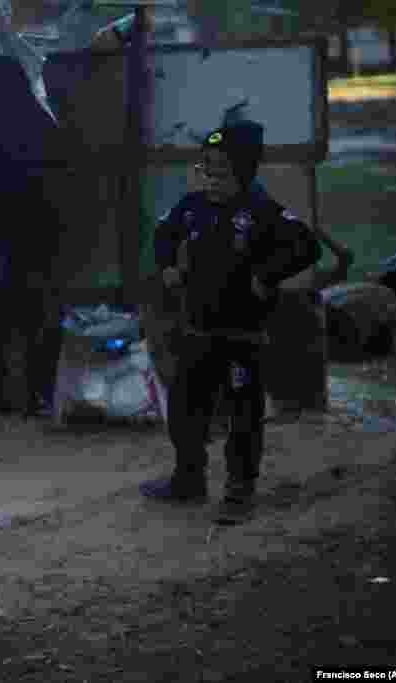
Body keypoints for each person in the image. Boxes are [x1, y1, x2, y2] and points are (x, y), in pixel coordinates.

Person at [140, 121, 322, 524]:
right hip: (198, 331)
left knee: (243, 416)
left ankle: (239, 491)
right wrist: (169, 265)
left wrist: (266, 276)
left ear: (245, 171)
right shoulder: (192, 207)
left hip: (243, 335)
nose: (212, 179)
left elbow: (306, 246)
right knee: (185, 409)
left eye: (222, 172)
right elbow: (163, 233)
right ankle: (188, 479)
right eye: (207, 170)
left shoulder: (262, 211)